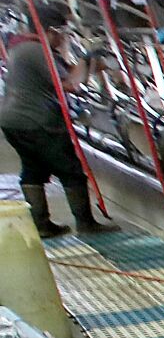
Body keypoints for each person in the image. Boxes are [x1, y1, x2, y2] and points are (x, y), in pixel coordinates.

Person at [0, 15, 114, 239]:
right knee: (70, 171)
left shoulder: (21, 48)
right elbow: (70, 84)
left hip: (12, 120)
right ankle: (85, 223)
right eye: (62, 32)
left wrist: (87, 63)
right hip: (38, 120)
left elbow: (67, 72)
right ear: (51, 30)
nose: (64, 38)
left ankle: (41, 224)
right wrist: (87, 57)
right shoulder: (40, 51)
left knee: (33, 169)